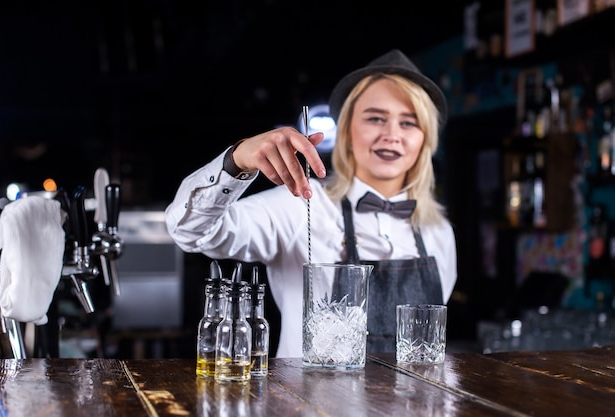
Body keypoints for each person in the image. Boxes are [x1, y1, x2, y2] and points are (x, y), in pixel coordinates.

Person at [165, 49, 457, 357]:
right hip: (311, 404)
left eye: (409, 123)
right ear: (346, 132)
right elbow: (190, 232)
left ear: (426, 139)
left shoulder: (439, 232)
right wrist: (235, 161)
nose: (392, 135)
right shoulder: (299, 204)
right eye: (375, 118)